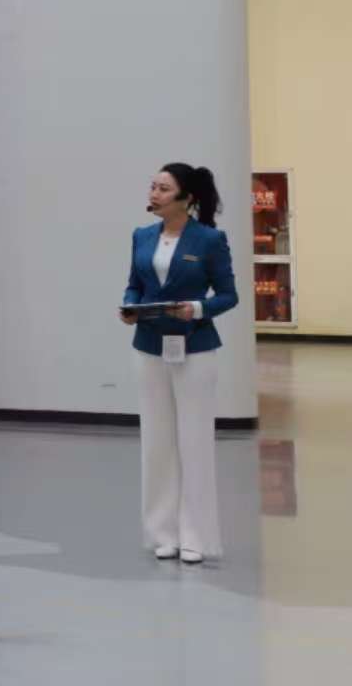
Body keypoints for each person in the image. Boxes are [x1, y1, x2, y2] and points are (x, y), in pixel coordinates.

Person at [122, 162, 237, 565]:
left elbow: (229, 295)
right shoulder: (142, 236)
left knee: (194, 441)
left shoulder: (209, 240)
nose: (153, 194)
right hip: (149, 347)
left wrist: (198, 309)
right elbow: (134, 285)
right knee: (157, 442)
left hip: (195, 348)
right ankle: (163, 533)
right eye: (152, 186)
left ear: (186, 198)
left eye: (163, 188)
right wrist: (130, 306)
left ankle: (195, 536)